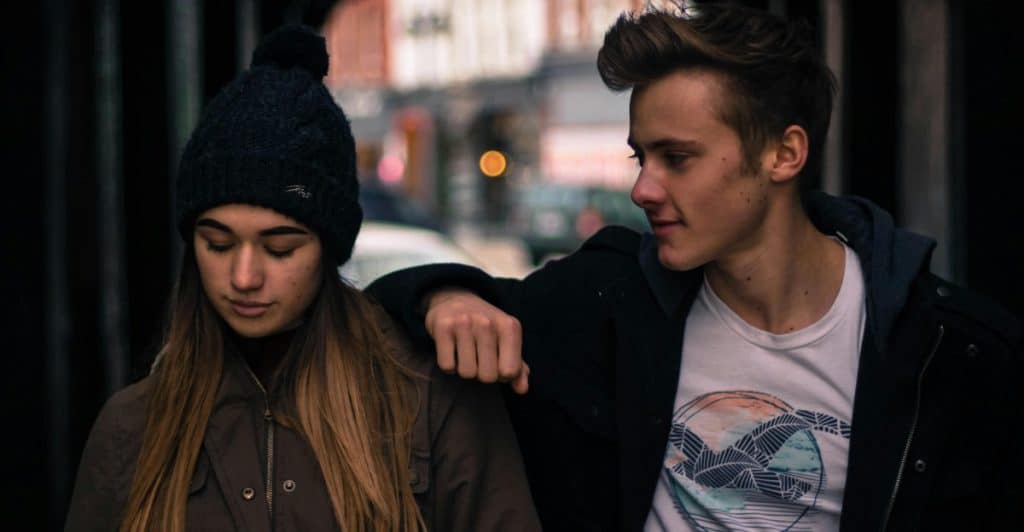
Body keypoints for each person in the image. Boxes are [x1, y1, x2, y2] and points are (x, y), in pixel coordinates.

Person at [367, 4, 1023, 532]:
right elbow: (371, 311)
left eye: (676, 158)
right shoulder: (610, 298)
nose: (642, 190)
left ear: (784, 153)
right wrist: (444, 295)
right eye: (639, 158)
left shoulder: (945, 348)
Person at [64, 25, 539, 532]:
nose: (244, 276)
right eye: (217, 243)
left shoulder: (428, 402)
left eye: (280, 248)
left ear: (327, 249)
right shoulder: (132, 426)